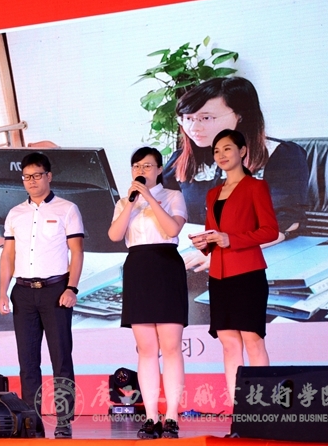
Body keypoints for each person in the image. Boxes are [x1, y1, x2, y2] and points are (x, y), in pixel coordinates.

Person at [162, 77, 308, 272]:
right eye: (187, 118)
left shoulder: (280, 155)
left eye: (206, 118)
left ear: (240, 115)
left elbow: (287, 222)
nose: (194, 128)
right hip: (194, 254)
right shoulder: (183, 159)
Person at [0, 152, 84, 438]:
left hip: (56, 291)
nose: (31, 181)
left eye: (37, 175)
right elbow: (8, 255)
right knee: (28, 363)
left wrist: (71, 287)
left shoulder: (67, 209)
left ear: (49, 176)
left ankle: (64, 421)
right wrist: (2, 292)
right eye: (26, 177)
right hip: (23, 292)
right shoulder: (15, 213)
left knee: (61, 360)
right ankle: (31, 423)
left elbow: (76, 252)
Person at [190, 129, 279, 402]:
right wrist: (204, 243)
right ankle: (238, 410)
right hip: (219, 276)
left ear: (242, 151)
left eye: (227, 149)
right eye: (216, 151)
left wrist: (232, 239)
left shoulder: (256, 187)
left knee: (253, 341)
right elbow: (213, 234)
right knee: (229, 345)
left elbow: (270, 231)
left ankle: (261, 408)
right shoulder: (213, 193)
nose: (221, 155)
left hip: (248, 275)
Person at [108, 147, 188, 439]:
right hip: (138, 269)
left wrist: (150, 198)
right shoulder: (124, 202)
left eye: (148, 166)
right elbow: (115, 235)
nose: (141, 170)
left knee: (171, 347)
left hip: (166, 267)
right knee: (146, 349)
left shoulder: (173, 196)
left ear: (159, 169)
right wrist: (132, 202)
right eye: (137, 166)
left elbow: (171, 229)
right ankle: (152, 417)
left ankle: (172, 416)